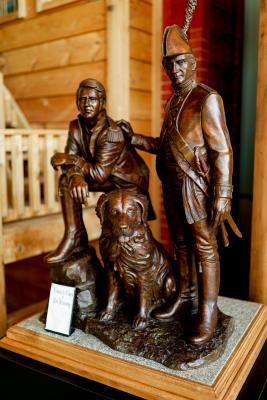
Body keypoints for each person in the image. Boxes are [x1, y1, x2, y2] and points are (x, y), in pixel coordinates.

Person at [119, 24, 234, 345]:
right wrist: (135, 139)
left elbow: (222, 150)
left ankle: (208, 310)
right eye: (170, 64)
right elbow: (166, 145)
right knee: (180, 245)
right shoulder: (172, 103)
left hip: (195, 187)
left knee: (204, 248)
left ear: (193, 62)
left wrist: (223, 194)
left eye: (181, 62)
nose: (176, 69)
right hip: (171, 184)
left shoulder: (206, 99)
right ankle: (186, 296)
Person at [45, 78, 155, 265]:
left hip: (126, 180)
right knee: (65, 180)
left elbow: (97, 173)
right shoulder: (75, 126)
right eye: (82, 99)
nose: (87, 104)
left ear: (102, 103)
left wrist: (73, 161)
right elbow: (71, 161)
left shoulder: (112, 132)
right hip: (105, 176)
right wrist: (75, 176)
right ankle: (75, 236)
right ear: (77, 102)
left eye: (92, 99)